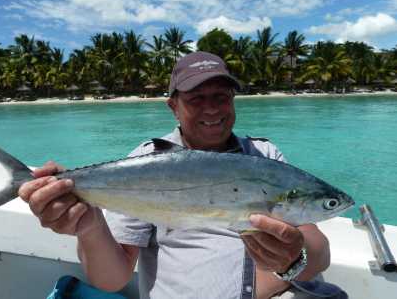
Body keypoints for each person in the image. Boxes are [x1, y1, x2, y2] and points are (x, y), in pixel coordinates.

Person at [19, 51, 330, 299]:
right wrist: (89, 226)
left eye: (220, 96)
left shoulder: (264, 157)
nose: (212, 110)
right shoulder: (147, 161)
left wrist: (293, 259)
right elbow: (111, 280)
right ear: (173, 106)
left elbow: (320, 253)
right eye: (196, 99)